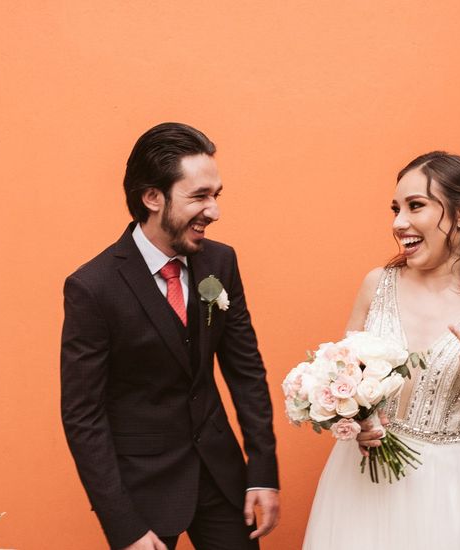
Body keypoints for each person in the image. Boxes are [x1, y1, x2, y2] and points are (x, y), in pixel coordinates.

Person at [61, 122, 280, 550]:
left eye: (216, 195)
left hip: (221, 475)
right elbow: (82, 416)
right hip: (142, 490)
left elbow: (246, 372)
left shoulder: (221, 261)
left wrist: (263, 471)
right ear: (152, 197)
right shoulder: (92, 287)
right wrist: (122, 525)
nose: (213, 211)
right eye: (199, 196)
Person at [302, 151, 460, 549]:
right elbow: (343, 379)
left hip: (446, 489)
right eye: (396, 208)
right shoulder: (377, 284)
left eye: (416, 206)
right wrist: (360, 423)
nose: (398, 222)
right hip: (360, 480)